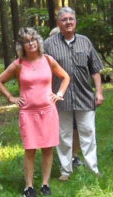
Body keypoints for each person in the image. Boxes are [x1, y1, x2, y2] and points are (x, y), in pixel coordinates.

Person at [0, 28, 70, 197]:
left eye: (33, 39)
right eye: (27, 41)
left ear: (38, 41)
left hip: (48, 111)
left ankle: (45, 184)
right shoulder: (19, 63)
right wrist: (11, 97)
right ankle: (28, 187)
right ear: (22, 46)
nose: (31, 43)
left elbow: (65, 77)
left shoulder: (48, 60)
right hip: (28, 112)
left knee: (48, 148)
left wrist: (59, 94)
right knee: (30, 149)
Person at [43, 7, 105, 181]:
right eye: (64, 19)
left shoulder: (85, 42)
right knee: (64, 134)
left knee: (88, 132)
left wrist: (99, 91)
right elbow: (42, 71)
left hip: (85, 96)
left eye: (71, 19)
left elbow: (95, 69)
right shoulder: (49, 44)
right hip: (60, 98)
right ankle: (66, 170)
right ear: (58, 23)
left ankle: (92, 169)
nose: (68, 22)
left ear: (75, 21)